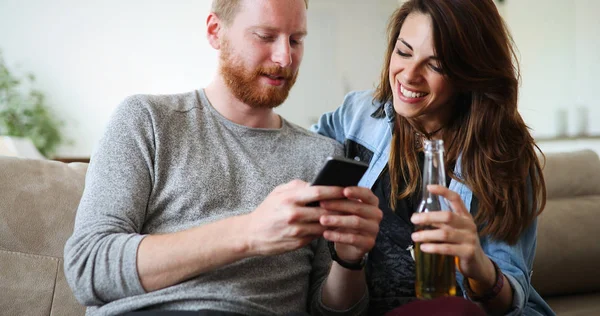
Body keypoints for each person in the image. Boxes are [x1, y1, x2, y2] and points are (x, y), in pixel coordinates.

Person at [63, 0, 383, 315]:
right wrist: (248, 233)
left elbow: (331, 311)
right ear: (216, 31)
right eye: (265, 36)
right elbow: (88, 268)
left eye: (296, 40)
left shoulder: (320, 154)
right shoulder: (147, 121)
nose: (285, 57)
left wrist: (349, 260)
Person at [312, 0, 554, 315]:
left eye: (436, 65)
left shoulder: (504, 158)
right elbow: (301, 152)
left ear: (469, 75)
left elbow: (509, 302)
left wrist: (479, 268)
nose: (409, 75)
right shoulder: (357, 116)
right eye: (404, 51)